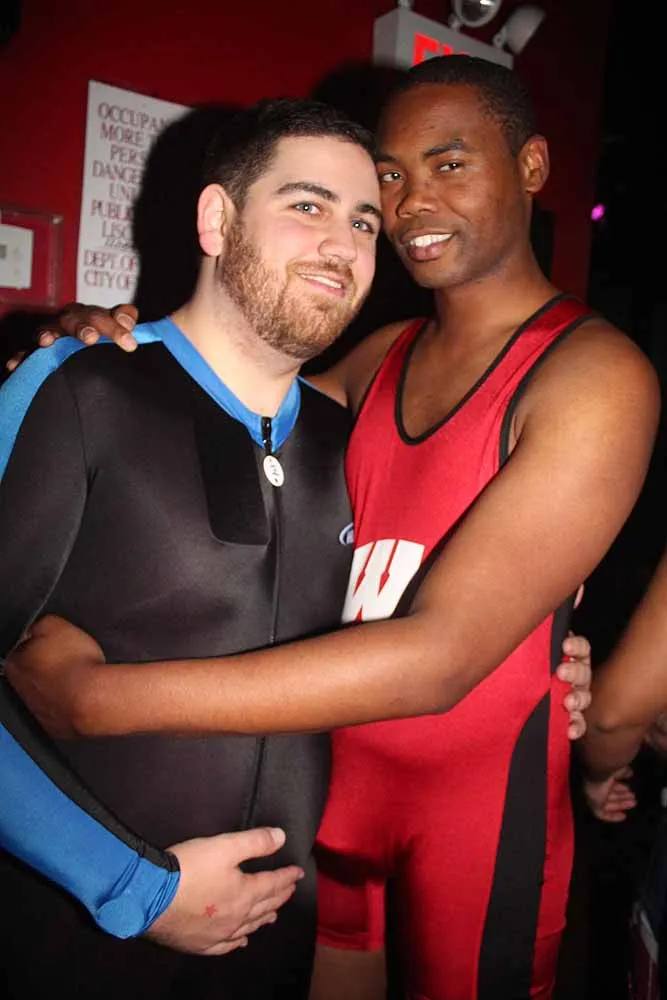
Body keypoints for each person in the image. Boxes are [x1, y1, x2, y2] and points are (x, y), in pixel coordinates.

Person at [4, 57, 642, 999]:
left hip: (418, 840)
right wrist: (86, 341)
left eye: (445, 166)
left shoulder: (582, 376)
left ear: (533, 167)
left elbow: (441, 653)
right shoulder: (363, 365)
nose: (402, 208)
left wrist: (95, 699)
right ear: (219, 219)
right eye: (386, 179)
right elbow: (211, 390)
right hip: (244, 858)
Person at [0, 96, 383, 999]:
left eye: (364, 222)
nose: (341, 244)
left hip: (272, 957)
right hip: (73, 942)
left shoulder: (355, 443)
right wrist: (132, 886)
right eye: (307, 205)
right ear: (217, 220)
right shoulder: (78, 390)